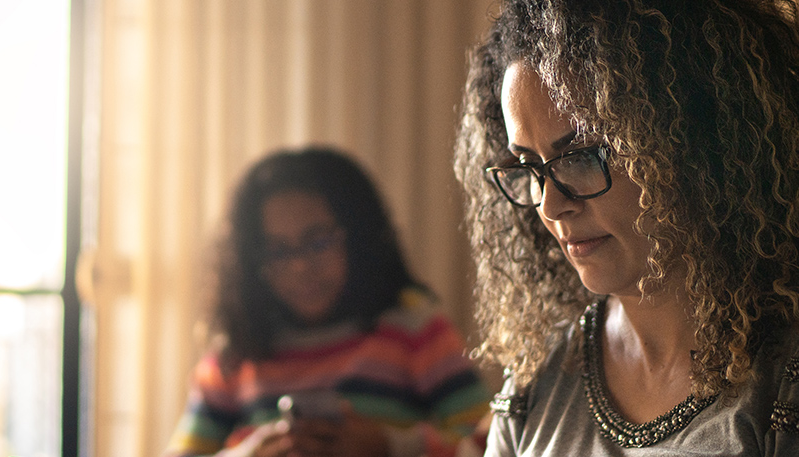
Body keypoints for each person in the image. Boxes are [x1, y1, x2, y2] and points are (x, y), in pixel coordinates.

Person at [454, 0, 799, 455]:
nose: (551, 205)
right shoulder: (537, 379)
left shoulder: (781, 377)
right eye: (529, 166)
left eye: (580, 155)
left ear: (691, 145)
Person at [164, 146, 491, 457]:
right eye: (278, 251)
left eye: (317, 241)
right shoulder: (238, 351)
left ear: (358, 238)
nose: (300, 266)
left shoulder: (413, 327)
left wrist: (390, 446)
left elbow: (486, 442)